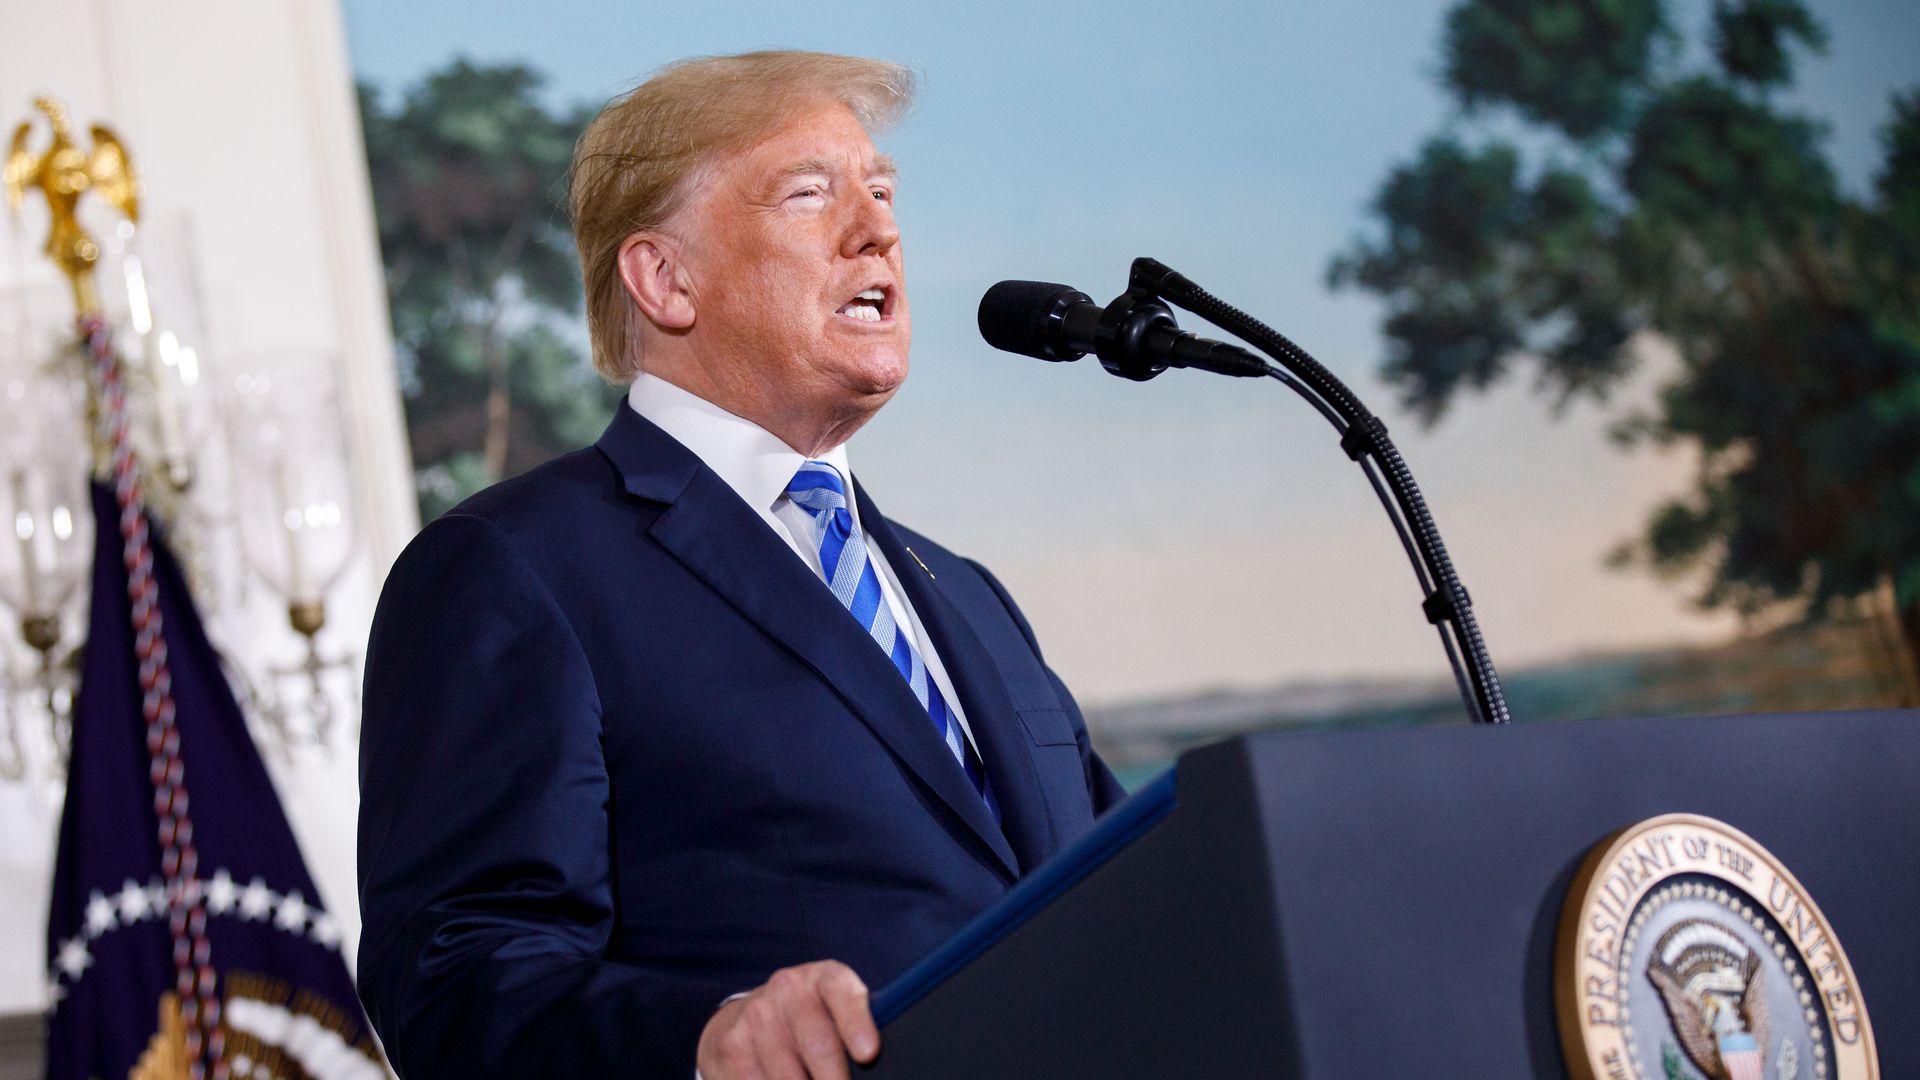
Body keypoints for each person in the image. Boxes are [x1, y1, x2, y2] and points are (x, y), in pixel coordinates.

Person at [356, 50, 1127, 1079]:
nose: (878, 229)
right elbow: (453, 980)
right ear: (666, 278)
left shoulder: (969, 595)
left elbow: (1133, 889)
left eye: (882, 189)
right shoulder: (513, 571)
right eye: (811, 194)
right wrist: (708, 1040)